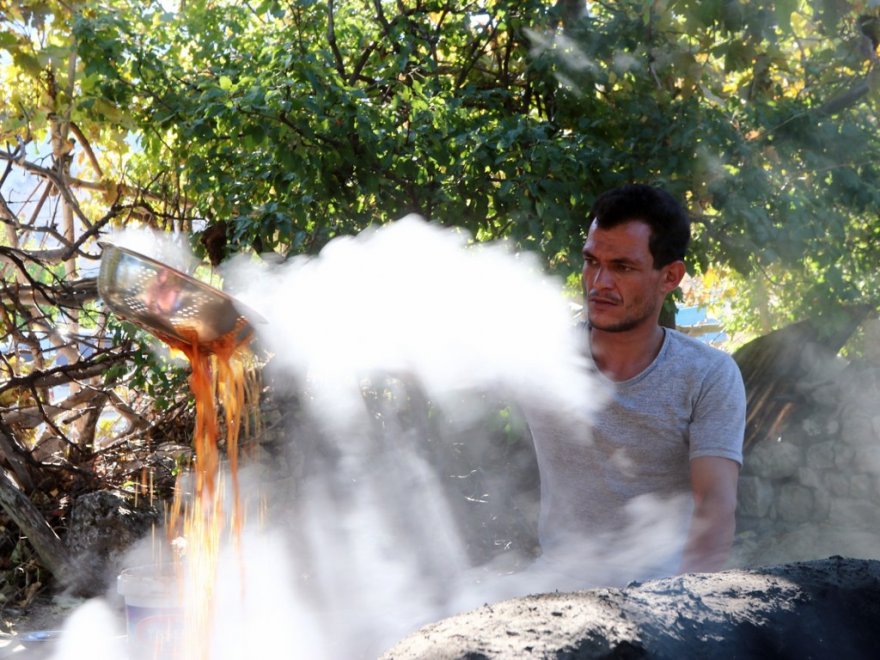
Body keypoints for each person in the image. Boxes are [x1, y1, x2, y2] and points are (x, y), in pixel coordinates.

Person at [526, 183, 746, 585]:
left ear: (670, 277)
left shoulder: (708, 375)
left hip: (659, 594)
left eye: (622, 267)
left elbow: (715, 509)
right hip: (554, 590)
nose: (599, 282)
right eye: (591, 261)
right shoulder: (539, 357)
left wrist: (680, 606)